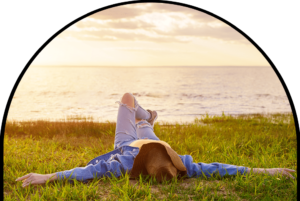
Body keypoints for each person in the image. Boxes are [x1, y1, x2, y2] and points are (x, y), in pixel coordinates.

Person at [16, 93, 296, 188]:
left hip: (127, 143)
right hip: (150, 139)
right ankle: (148, 120)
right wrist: (265, 170)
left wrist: (47, 176)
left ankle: (146, 116)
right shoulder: (184, 165)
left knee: (127, 99)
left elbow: (86, 172)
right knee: (144, 125)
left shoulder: (125, 163)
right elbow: (222, 168)